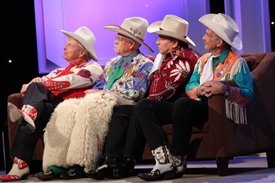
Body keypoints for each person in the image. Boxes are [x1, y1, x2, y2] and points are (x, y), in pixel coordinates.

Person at [121, 13, 254, 181]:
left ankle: (178, 159)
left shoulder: (237, 63)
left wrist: (224, 88)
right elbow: (191, 85)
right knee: (144, 105)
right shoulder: (203, 60)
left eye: (207, 34)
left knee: (182, 103)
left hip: (213, 108)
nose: (203, 37)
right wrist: (198, 90)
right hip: (192, 105)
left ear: (219, 42)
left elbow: (248, 93)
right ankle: (164, 160)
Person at [34, 17, 154, 181]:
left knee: (92, 103)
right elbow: (101, 84)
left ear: (132, 44)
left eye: (120, 38)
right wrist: (96, 91)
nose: (115, 41)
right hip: (103, 99)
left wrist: (105, 94)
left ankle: (82, 163)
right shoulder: (112, 63)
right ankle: (57, 162)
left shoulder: (145, 63)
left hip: (123, 103)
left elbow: (136, 92)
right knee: (67, 108)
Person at [90, 14, 199, 180]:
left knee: (141, 106)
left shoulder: (185, 58)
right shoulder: (165, 58)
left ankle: (160, 161)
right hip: (161, 105)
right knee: (139, 108)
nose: (157, 42)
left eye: (161, 38)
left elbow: (165, 90)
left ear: (174, 42)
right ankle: (123, 161)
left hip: (179, 107)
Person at [0, 26, 104, 182]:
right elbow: (28, 87)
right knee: (33, 114)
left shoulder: (92, 68)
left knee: (36, 90)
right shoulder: (57, 71)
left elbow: (70, 81)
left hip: (71, 107)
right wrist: (36, 84)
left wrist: (39, 84)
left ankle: (28, 116)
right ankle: (20, 162)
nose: (64, 46)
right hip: (51, 107)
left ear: (82, 52)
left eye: (70, 44)